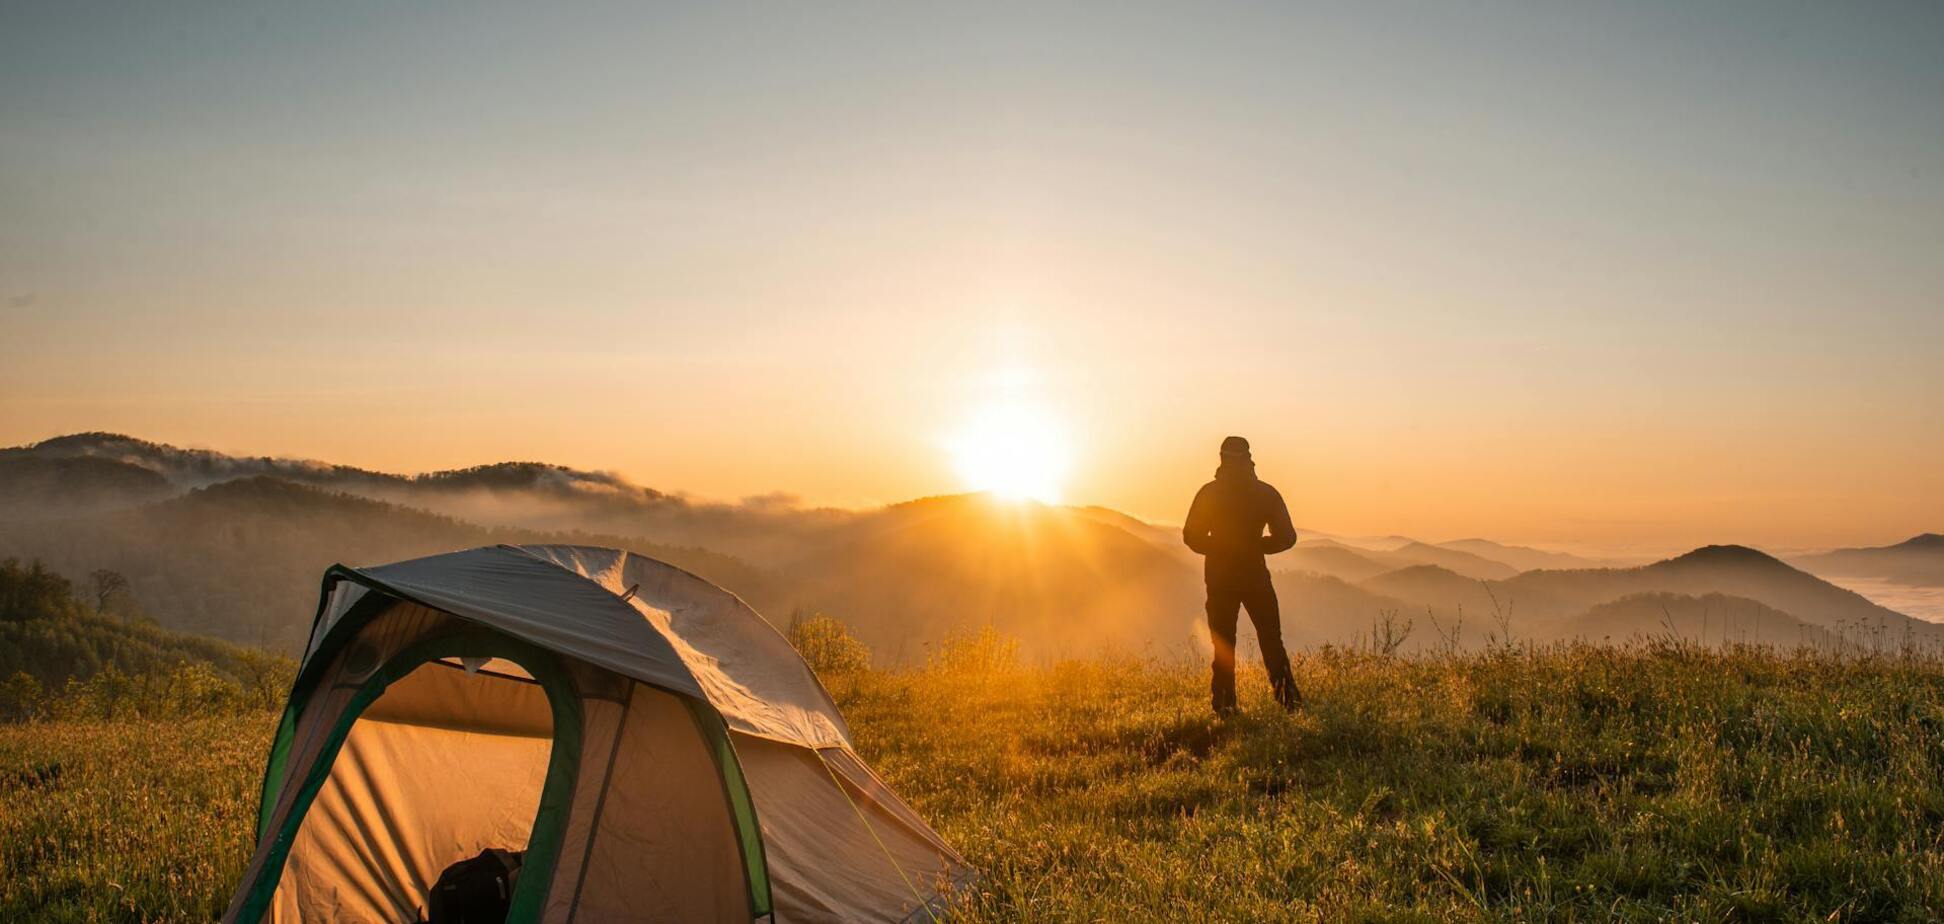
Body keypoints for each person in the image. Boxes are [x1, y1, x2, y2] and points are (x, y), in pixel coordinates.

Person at [1182, 435, 1301, 715]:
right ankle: (1290, 703)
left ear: (1222, 458)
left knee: (1223, 643)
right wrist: (1256, 546)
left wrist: (1220, 547)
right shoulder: (1265, 493)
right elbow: (1287, 537)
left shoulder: (1209, 493)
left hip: (1219, 577)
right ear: (1249, 458)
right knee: (1271, 640)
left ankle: (1225, 707)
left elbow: (1191, 536)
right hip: (1255, 576)